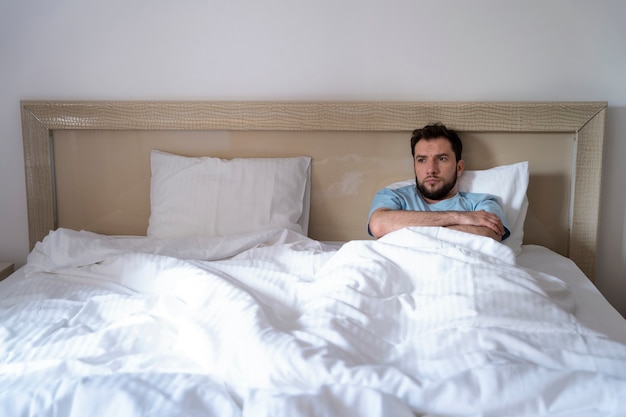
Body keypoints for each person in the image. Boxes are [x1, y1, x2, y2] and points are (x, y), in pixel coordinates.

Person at [368, 123, 510, 242]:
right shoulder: (393, 197)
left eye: (442, 159)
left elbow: (487, 236)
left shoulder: (481, 204)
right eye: (422, 160)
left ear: (459, 167)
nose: (431, 170)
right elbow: (378, 225)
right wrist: (459, 217)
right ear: (414, 167)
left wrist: (404, 228)